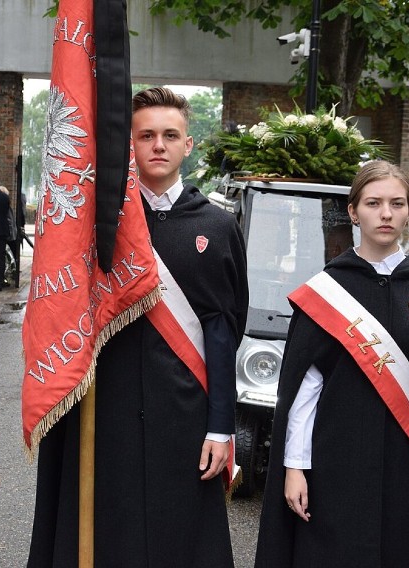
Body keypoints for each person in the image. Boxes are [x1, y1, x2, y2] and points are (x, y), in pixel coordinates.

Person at [27, 87, 248, 567]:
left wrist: (220, 426)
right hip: (103, 411)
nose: (158, 145)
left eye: (171, 135)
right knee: (107, 538)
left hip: (185, 415)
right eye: (145, 135)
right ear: (128, 144)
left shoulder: (218, 224)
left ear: (189, 145)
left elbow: (223, 331)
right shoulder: (93, 224)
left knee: (181, 542)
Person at [255, 160, 409, 568]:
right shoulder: (328, 289)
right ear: (354, 212)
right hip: (336, 463)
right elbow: (305, 389)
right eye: (373, 203)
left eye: (397, 203)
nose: (386, 214)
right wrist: (295, 467)